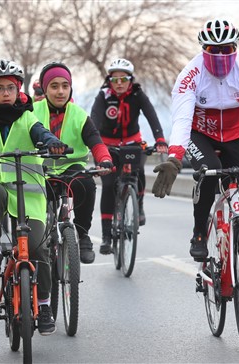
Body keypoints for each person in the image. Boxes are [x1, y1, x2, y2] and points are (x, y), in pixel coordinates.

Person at [152, 19, 239, 319]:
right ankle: (199, 233)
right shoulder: (191, 74)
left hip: (235, 137)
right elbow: (182, 119)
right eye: (213, 51)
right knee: (209, 171)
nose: (221, 57)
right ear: (203, 51)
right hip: (201, 136)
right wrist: (174, 157)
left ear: (236, 50)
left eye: (227, 50)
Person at [0, 59, 66, 335]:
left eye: (10, 87)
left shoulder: (27, 115)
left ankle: (43, 306)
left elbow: (40, 133)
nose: (5, 93)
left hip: (28, 193)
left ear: (18, 89)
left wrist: (52, 143)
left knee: (38, 248)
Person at [33, 62, 113, 264]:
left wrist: (104, 160)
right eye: (54, 86)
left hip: (71, 168)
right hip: (39, 170)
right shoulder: (31, 112)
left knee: (86, 184)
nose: (60, 91)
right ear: (44, 88)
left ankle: (83, 235)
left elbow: (95, 141)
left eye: (65, 86)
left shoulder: (79, 115)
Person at [90, 58, 168, 255]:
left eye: (123, 79)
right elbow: (94, 121)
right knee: (108, 186)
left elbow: (151, 115)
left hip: (133, 141)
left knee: (138, 170)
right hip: (108, 145)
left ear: (130, 80)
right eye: (114, 79)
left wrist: (160, 139)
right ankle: (107, 236)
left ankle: (139, 206)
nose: (119, 83)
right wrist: (94, 145)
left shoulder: (137, 94)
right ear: (109, 80)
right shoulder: (103, 96)